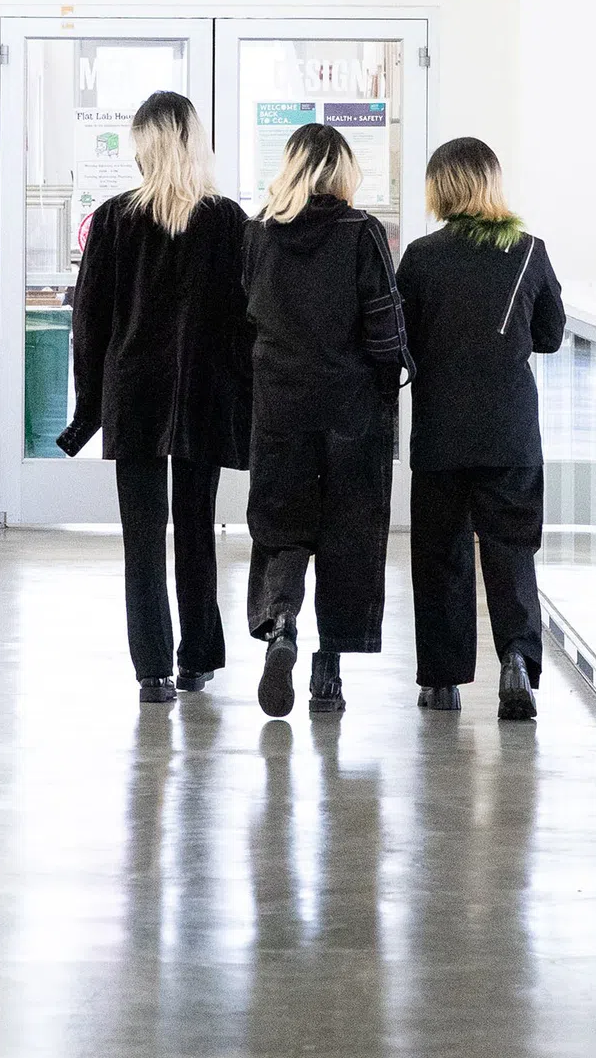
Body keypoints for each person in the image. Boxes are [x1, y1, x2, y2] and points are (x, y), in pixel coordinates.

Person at [57, 92, 253, 704]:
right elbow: (249, 323)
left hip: (134, 395)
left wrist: (88, 410)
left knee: (141, 536)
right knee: (197, 527)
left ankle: (151, 671)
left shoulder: (115, 220)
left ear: (143, 146)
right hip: (205, 394)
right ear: (196, 142)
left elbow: (88, 324)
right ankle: (197, 659)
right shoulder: (228, 221)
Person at [241, 122, 409, 718]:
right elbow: (384, 328)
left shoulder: (258, 233)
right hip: (351, 410)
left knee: (283, 527)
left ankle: (282, 624)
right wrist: (391, 385)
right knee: (348, 535)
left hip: (280, 405)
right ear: (340, 171)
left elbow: (246, 319)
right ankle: (328, 674)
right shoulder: (361, 233)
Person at [397, 136, 565, 720]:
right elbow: (549, 334)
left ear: (439, 187)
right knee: (511, 550)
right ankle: (516, 660)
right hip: (510, 432)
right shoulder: (529, 251)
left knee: (441, 554)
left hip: (441, 432)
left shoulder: (419, 257)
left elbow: (403, 341)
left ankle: (441, 683)